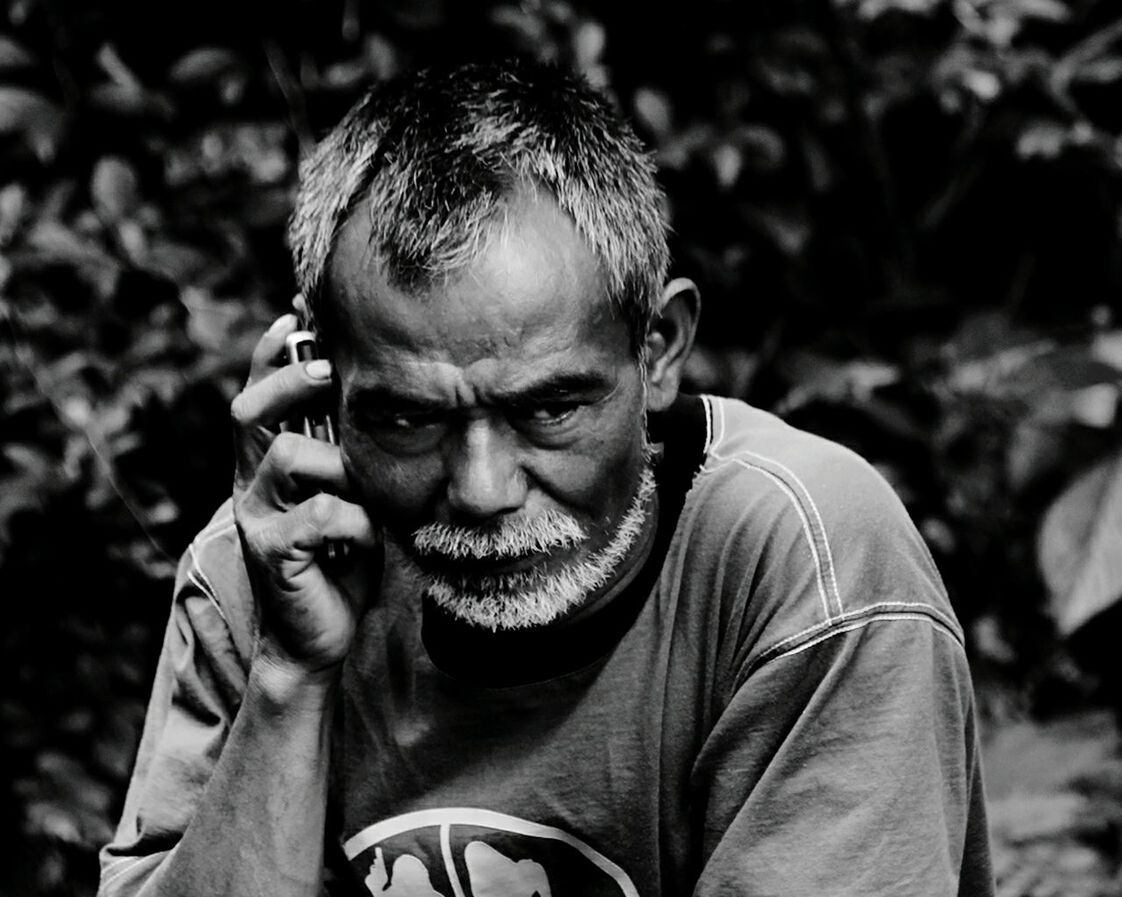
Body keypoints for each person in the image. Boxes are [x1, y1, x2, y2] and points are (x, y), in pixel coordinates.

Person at [98, 58, 993, 897]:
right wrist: (289, 676)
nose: (483, 490)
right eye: (412, 419)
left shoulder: (803, 559)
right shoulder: (266, 566)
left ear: (659, 347)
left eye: (548, 409)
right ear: (318, 374)